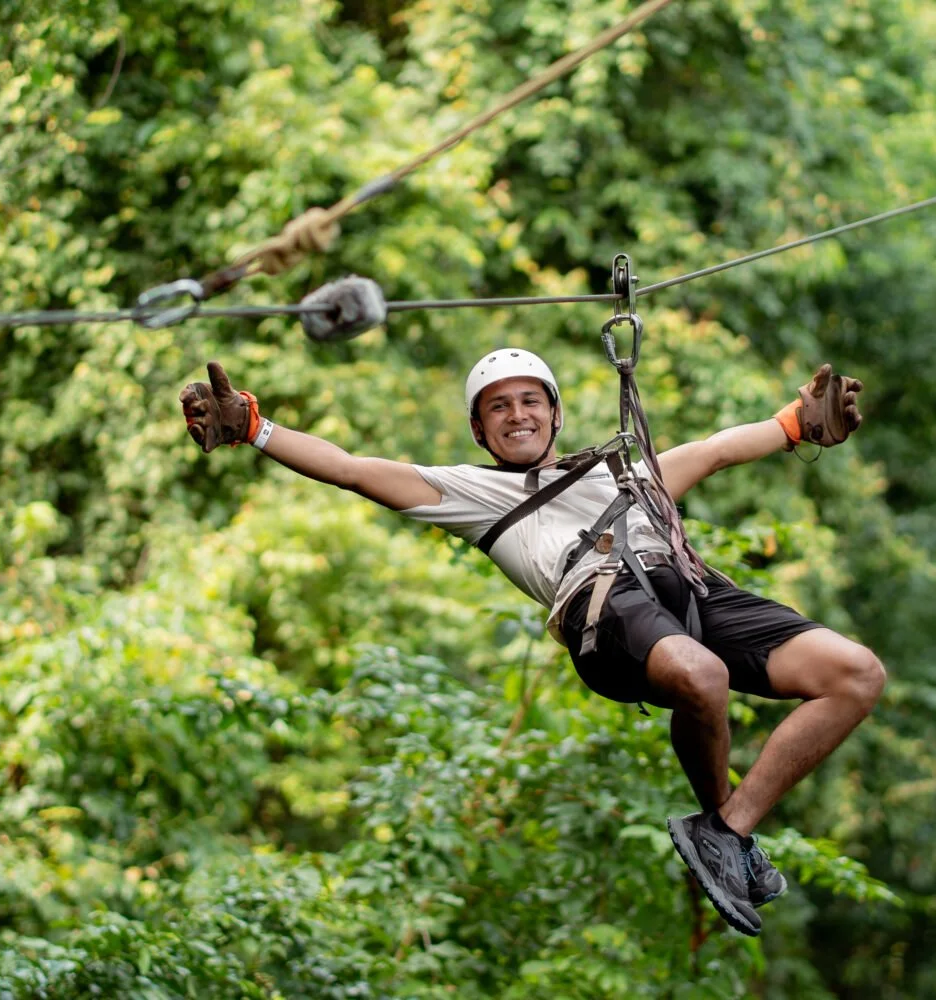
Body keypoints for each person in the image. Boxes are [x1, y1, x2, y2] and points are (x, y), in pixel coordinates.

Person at [179, 349, 883, 938]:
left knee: (855, 675)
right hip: (603, 611)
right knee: (701, 677)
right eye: (499, 407)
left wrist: (798, 424)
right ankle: (722, 835)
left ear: (554, 413)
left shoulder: (629, 473)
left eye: (530, 401)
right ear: (480, 430)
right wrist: (257, 429)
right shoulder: (473, 494)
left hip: (691, 591)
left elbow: (724, 447)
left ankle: (728, 830)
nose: (518, 415)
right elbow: (352, 467)